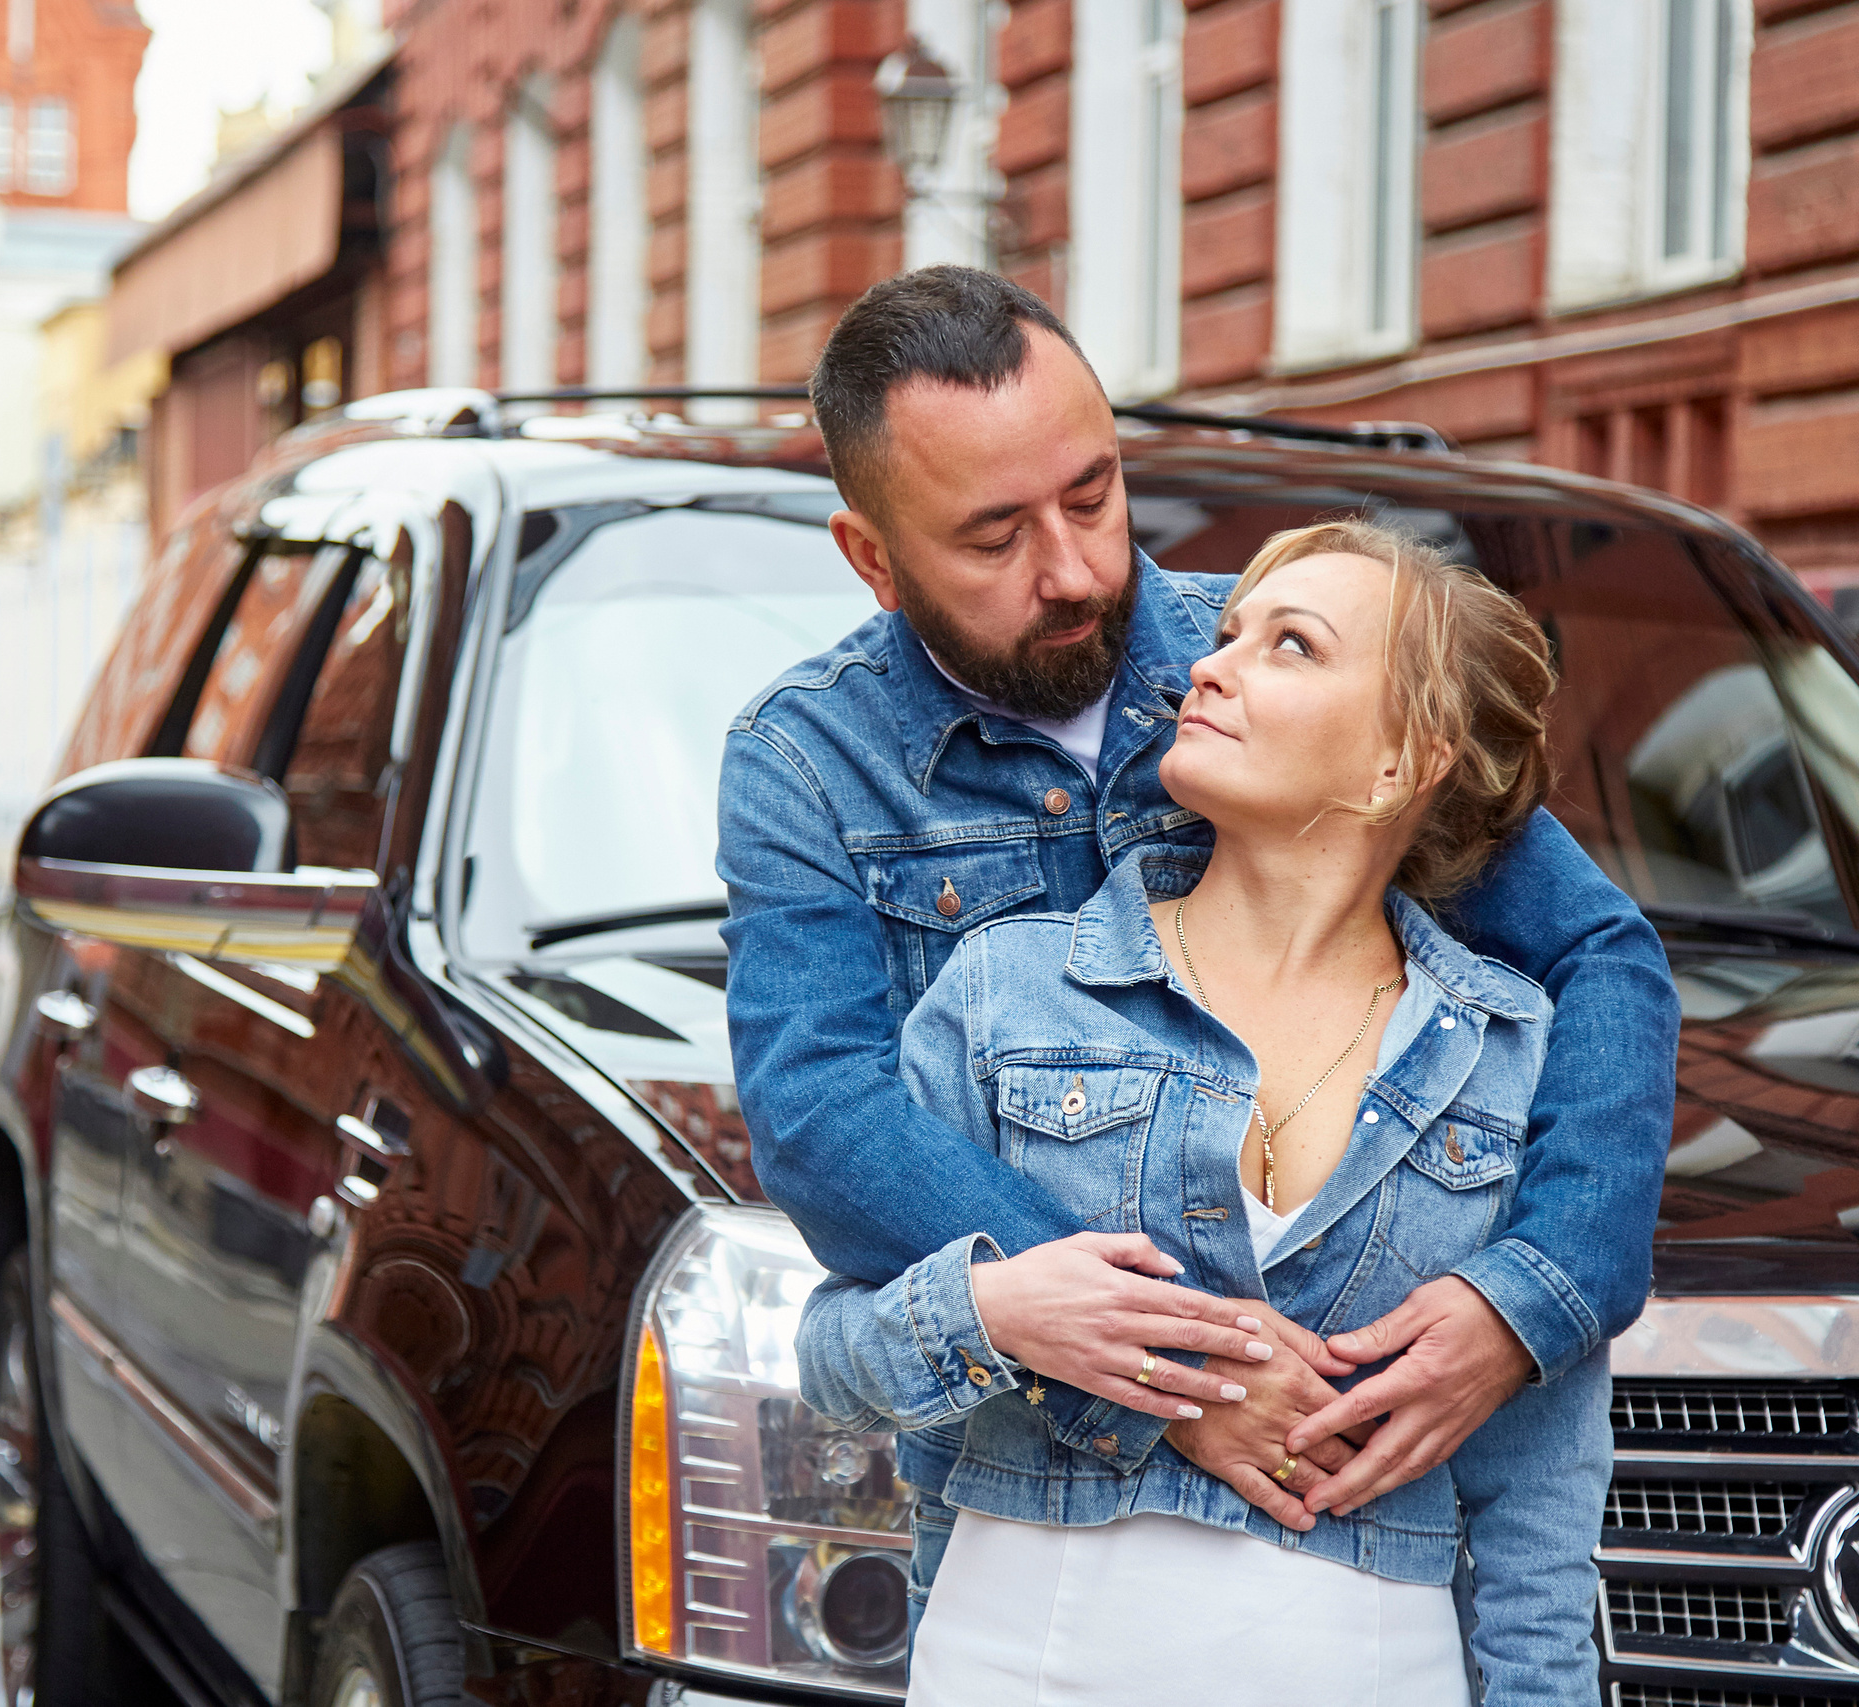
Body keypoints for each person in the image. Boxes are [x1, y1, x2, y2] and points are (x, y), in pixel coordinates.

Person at [718, 266, 1679, 1620]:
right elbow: (821, 1117)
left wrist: (1533, 1291)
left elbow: (1605, 958)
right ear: (873, 559)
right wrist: (1183, 1372)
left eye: (1095, 493)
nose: (1076, 569)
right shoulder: (806, 762)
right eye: (993, 538)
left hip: (1366, 1579)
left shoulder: (1291, 663)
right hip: (1029, 1538)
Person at [796, 518, 1616, 1704]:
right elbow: (830, 1357)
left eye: (1290, 645)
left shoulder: (1508, 1055)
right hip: (1022, 1664)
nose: (1208, 667)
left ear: (1400, 762)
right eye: (1225, 636)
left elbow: (1537, 1508)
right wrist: (997, 1310)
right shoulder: (1007, 990)